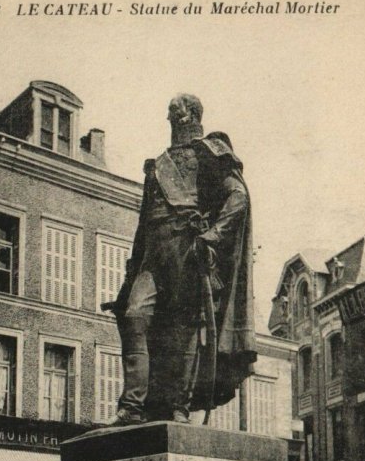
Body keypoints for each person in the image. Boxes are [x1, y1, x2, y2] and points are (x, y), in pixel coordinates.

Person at [109, 93, 257, 425]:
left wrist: (213, 234)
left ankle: (179, 405)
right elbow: (142, 227)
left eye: (175, 113)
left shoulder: (210, 151)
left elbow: (238, 196)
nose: (171, 119)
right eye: (170, 114)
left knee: (185, 328)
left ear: (190, 116)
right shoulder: (156, 164)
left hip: (187, 249)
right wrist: (131, 272)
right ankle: (132, 406)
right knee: (134, 316)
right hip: (153, 252)